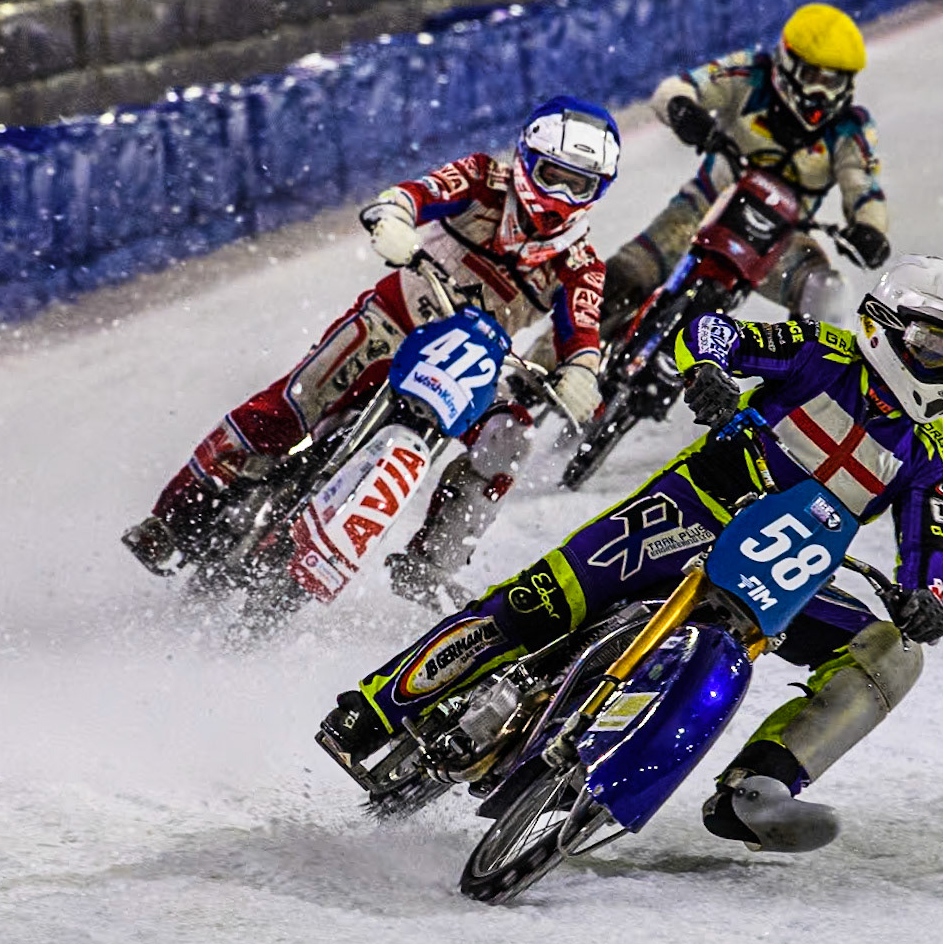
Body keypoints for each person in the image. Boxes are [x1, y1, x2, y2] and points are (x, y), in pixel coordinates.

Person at [321, 255, 943, 851]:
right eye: (940, 348)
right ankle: (376, 706)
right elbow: (712, 330)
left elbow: (931, 540)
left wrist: (929, 598)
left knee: (892, 654)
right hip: (690, 508)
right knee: (544, 600)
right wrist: (707, 367)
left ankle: (761, 788)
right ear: (887, 326)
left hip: (784, 571)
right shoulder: (820, 351)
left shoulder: (932, 453)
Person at [123, 96, 621, 599]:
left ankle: (430, 564)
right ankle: (175, 516)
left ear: (598, 191)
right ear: (527, 159)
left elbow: (583, 331)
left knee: (510, 435)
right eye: (552, 175)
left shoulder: (581, 265)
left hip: (469, 368)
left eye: (578, 184)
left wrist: (582, 371)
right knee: (294, 404)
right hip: (392, 323)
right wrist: (395, 218)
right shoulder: (481, 178)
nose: (561, 195)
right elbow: (416, 193)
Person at [596, 2, 891, 341]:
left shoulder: (850, 129)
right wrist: (683, 110)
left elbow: (863, 185)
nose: (820, 94)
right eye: (812, 77)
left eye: (833, 82)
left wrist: (870, 229)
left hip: (779, 241)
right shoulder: (748, 73)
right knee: (624, 277)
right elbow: (674, 89)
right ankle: (555, 359)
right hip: (703, 208)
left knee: (826, 293)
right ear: (788, 61)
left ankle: (804, 372)